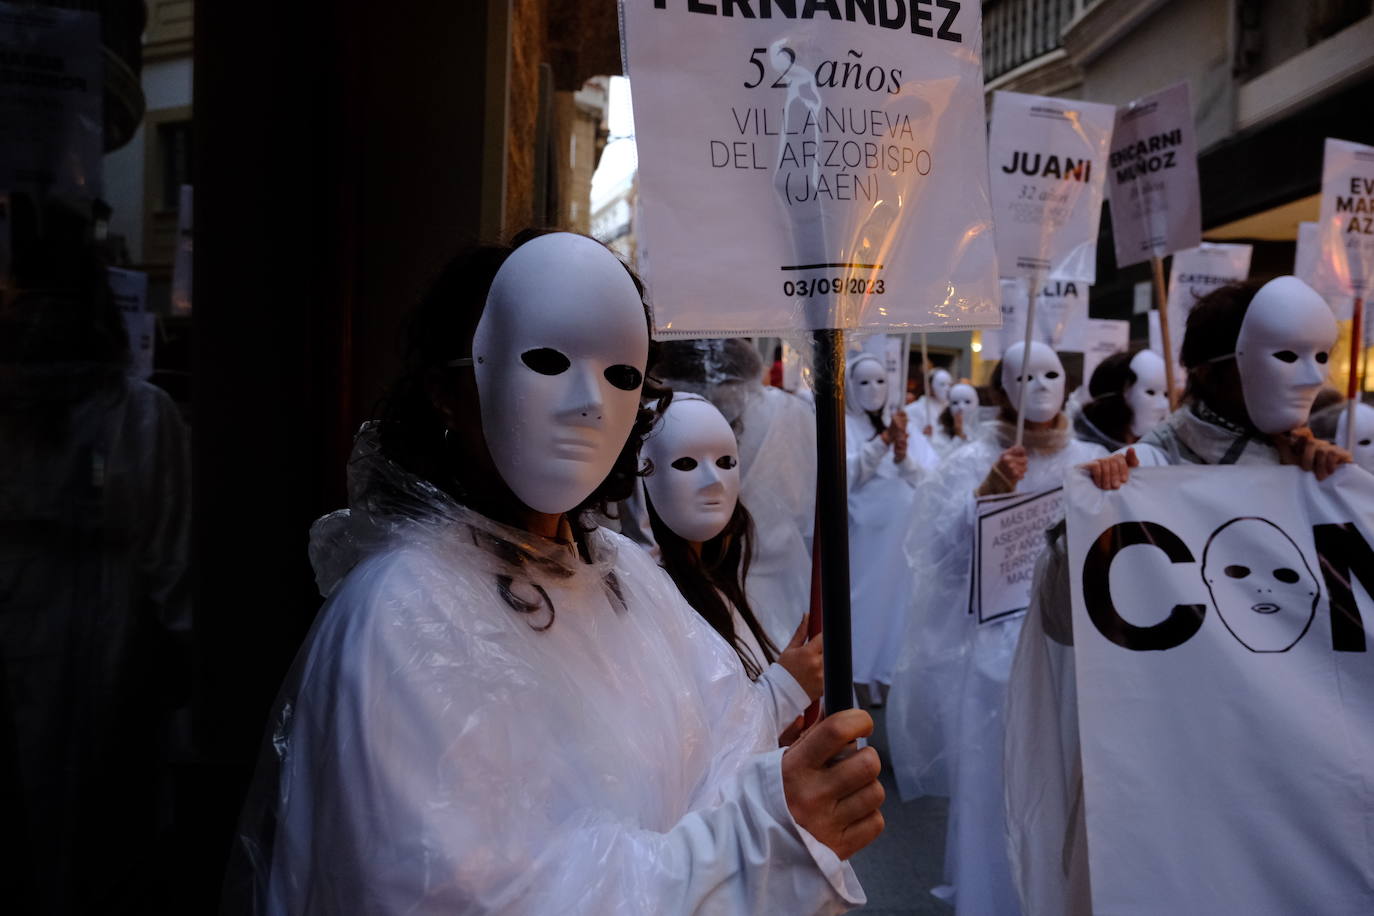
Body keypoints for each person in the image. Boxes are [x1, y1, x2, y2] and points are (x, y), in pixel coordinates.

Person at [229, 232, 881, 914]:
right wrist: (761, 841)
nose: (587, 402)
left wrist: (795, 781)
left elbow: (721, 742)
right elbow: (471, 895)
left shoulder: (620, 572)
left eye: (620, 373)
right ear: (449, 391)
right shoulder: (406, 615)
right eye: (545, 359)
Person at [1005, 277, 1352, 916]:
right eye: (1286, 355)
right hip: (1170, 782)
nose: (1311, 379)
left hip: (1286, 781)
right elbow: (1059, 616)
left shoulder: (1316, 475)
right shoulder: (1144, 475)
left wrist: (1335, 491)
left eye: (1320, 357)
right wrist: (1095, 525)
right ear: (1219, 372)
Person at [886, 341, 1105, 916]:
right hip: (995, 657)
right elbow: (937, 561)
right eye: (1023, 375)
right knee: (997, 785)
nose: (1038, 385)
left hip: (1075, 649)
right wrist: (988, 494)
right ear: (1003, 388)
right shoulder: (971, 460)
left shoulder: (1089, 457)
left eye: (1050, 372)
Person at [641, 392, 823, 741]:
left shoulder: (716, 579)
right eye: (685, 463)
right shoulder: (649, 601)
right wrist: (785, 691)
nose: (713, 480)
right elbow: (690, 751)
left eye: (726, 461)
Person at [651, 339, 817, 648]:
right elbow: (808, 504)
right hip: (769, 586)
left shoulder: (654, 417)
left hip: (691, 589)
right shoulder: (790, 412)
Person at [845, 352, 938, 704]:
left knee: (897, 610)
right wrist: (883, 442)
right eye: (863, 382)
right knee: (861, 607)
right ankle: (854, 677)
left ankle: (886, 678)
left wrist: (903, 457)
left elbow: (933, 480)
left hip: (901, 544)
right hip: (862, 543)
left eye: (880, 381)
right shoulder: (842, 426)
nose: (873, 390)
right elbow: (842, 474)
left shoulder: (906, 429)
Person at [1071, 349, 1170, 451]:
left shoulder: (1156, 454)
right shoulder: (1089, 455)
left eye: (1166, 395)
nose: (1163, 405)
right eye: (1151, 392)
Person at [929, 381, 981, 457]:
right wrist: (958, 436)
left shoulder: (985, 431)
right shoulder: (941, 435)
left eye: (967, 402)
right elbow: (943, 462)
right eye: (955, 403)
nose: (961, 407)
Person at [905, 366, 952, 436]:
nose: (947, 389)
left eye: (950, 384)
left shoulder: (951, 408)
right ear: (930, 386)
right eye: (942, 384)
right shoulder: (915, 409)